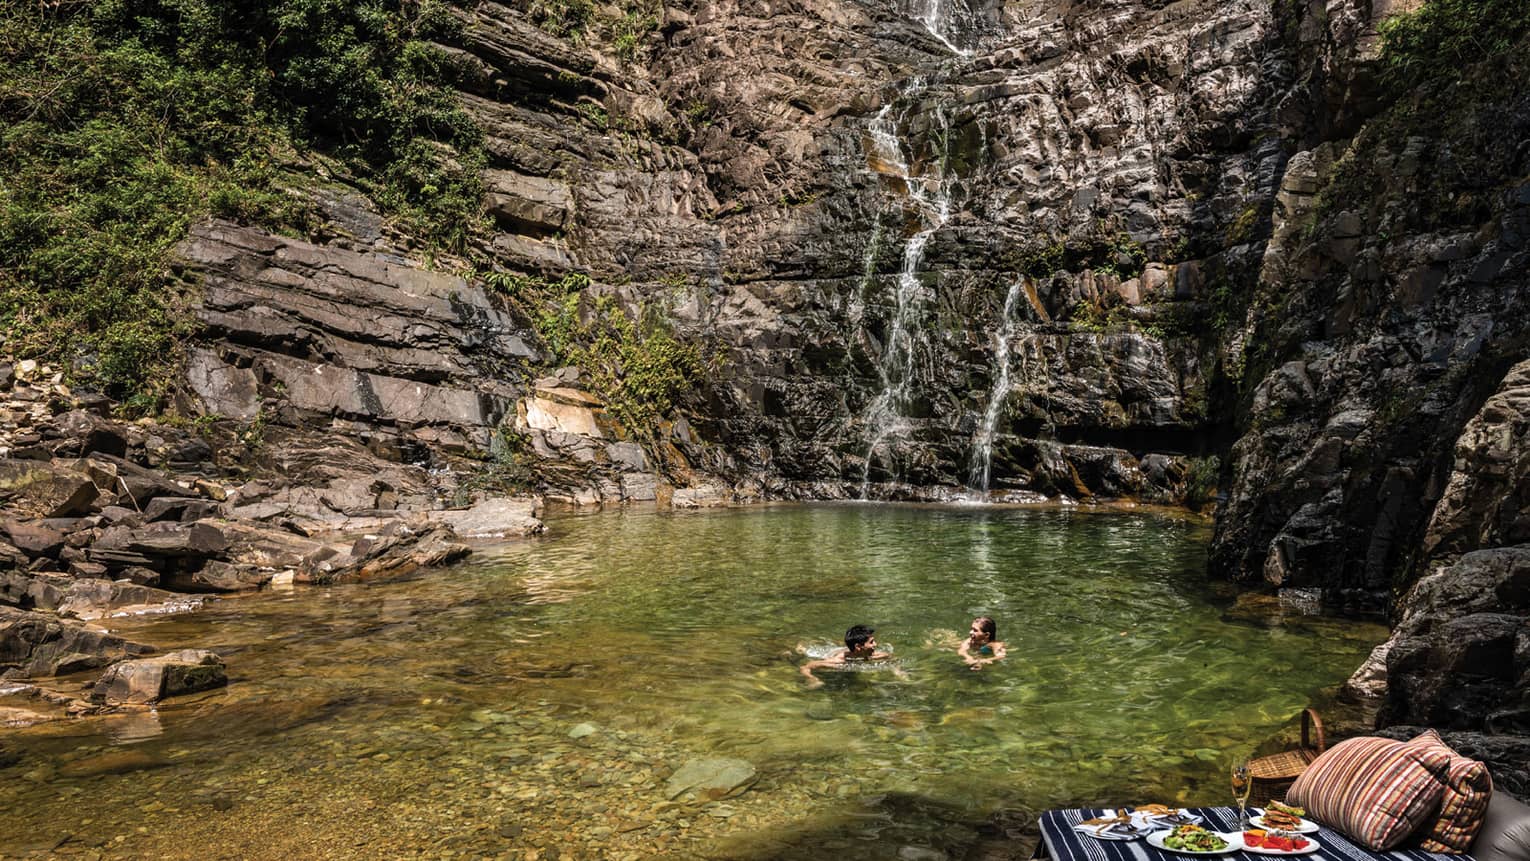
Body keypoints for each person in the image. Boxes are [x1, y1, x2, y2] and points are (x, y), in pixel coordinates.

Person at [799, 624, 893, 688]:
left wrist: (897, 670)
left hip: (851, 651)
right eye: (871, 642)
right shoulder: (838, 661)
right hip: (827, 652)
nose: (875, 645)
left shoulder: (873, 655)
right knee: (801, 650)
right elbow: (805, 667)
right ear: (858, 647)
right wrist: (812, 679)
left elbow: (889, 656)